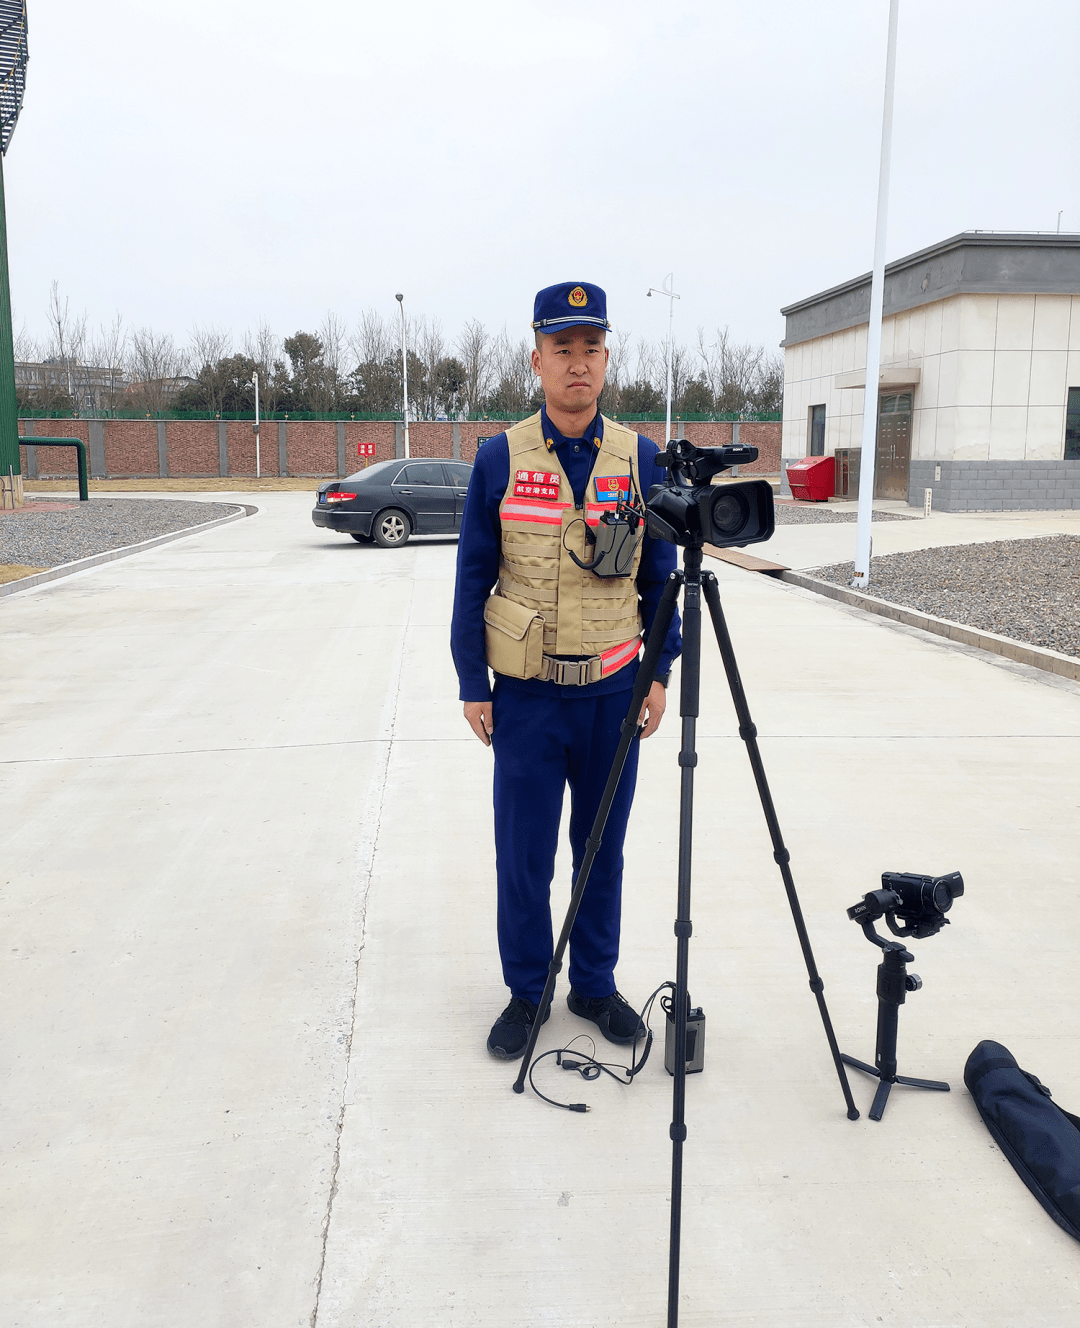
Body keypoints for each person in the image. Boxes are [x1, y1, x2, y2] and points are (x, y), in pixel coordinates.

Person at [450, 281, 682, 1060]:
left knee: (601, 849)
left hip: (614, 693)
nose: (577, 365)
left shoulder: (639, 457)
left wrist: (658, 675)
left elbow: (661, 578)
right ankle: (527, 991)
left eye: (591, 350)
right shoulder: (499, 457)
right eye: (563, 350)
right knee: (522, 853)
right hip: (525, 696)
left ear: (607, 360)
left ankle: (593, 982)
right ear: (537, 359)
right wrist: (472, 684)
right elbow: (473, 575)